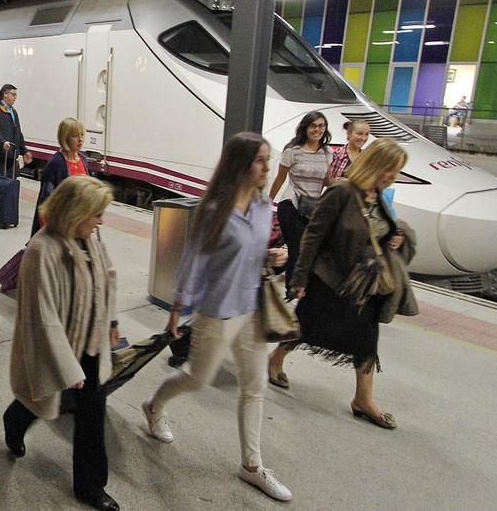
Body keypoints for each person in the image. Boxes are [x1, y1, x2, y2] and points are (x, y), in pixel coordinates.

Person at [140, 132, 293, 503]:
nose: (267, 167)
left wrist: (273, 256)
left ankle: (252, 467)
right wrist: (177, 309)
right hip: (217, 310)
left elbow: (256, 251)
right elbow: (194, 260)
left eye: (268, 159)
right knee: (196, 378)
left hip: (252, 307)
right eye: (260, 160)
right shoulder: (214, 211)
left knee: (254, 385)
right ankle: (154, 406)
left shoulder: (262, 205)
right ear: (240, 165)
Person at [269, 138, 416, 429]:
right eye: (389, 169)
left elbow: (378, 232)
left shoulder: (379, 195)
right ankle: (275, 358)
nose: (392, 176)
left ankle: (363, 399)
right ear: (374, 164)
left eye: (396, 171)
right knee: (307, 326)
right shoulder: (342, 191)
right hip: (330, 279)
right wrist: (299, 277)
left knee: (366, 338)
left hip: (364, 284)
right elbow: (313, 235)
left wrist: (394, 238)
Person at [4, 176, 120, 511]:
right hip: (60, 347)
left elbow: (107, 278)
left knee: (92, 415)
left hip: (92, 342)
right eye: (96, 213)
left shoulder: (90, 238)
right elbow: (44, 317)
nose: (101, 220)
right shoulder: (42, 250)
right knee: (43, 398)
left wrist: (111, 320)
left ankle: (90, 487)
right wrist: (67, 365)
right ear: (74, 212)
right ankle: (14, 421)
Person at [269, 111, 332, 282]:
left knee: (308, 249)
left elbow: (327, 181)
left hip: (312, 208)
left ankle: (299, 285)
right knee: (297, 248)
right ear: (305, 128)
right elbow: (280, 179)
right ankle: (292, 287)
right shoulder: (293, 151)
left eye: (321, 126)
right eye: (313, 126)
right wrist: (267, 202)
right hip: (291, 205)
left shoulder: (327, 152)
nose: (317, 129)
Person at [31, 118, 90, 235]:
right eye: (75, 136)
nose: (80, 140)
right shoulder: (56, 163)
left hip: (80, 224)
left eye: (82, 135)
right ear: (65, 138)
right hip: (61, 226)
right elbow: (46, 200)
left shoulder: (83, 159)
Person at [0, 83, 32, 177]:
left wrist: (24, 151)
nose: (15, 97)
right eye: (13, 94)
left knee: (10, 185)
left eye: (16, 95)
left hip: (11, 157)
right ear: (5, 94)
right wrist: (2, 142)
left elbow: (18, 133)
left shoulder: (13, 112)